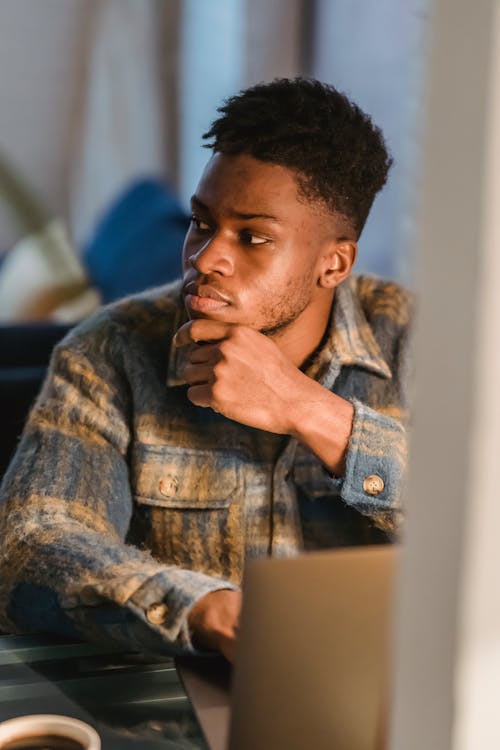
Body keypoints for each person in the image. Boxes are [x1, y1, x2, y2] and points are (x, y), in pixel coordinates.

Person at [0, 78, 411, 663]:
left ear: (333, 263)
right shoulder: (108, 351)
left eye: (253, 237)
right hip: (178, 704)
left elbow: (479, 533)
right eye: (202, 222)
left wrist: (309, 410)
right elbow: (32, 543)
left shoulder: (419, 342)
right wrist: (201, 609)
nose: (205, 257)